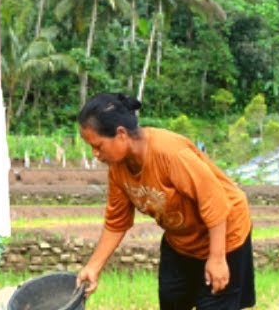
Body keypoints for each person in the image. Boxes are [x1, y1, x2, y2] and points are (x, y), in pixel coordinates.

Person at [76, 93, 255, 310]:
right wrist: (93, 267)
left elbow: (215, 202)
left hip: (224, 235)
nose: (95, 154)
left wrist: (217, 259)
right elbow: (117, 222)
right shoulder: (118, 169)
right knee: (172, 301)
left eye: (98, 146)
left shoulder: (170, 153)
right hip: (181, 241)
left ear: (121, 134)